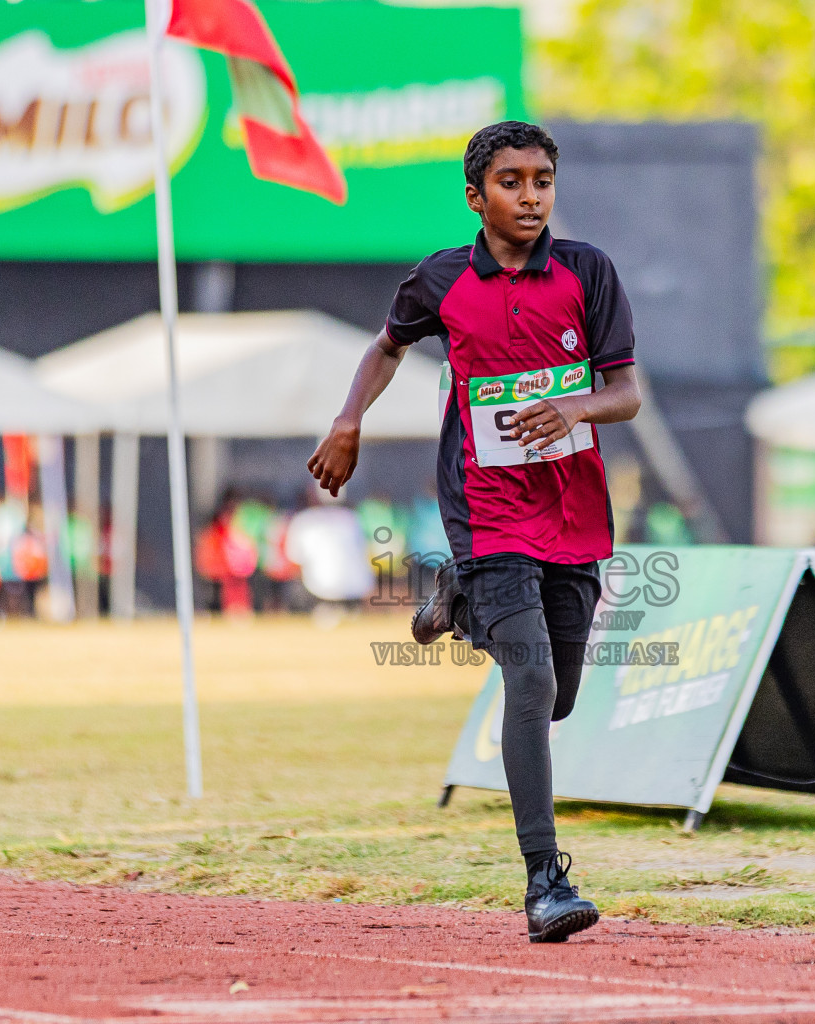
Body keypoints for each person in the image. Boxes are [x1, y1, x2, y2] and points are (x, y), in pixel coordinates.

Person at [306, 121, 640, 943]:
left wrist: (575, 406)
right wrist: (350, 419)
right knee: (526, 683)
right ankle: (545, 884)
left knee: (557, 697)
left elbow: (626, 391)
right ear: (476, 196)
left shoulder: (587, 272)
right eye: (512, 182)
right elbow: (386, 348)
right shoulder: (442, 279)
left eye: (542, 181)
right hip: (485, 507)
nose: (530, 197)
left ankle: (455, 605)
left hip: (571, 505)